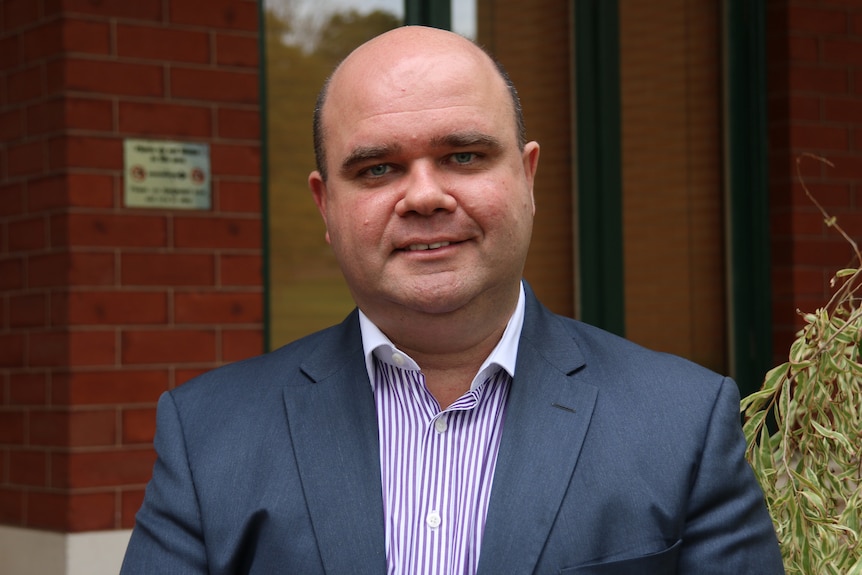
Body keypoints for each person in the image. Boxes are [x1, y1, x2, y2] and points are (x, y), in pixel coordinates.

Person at [121, 25, 784, 574]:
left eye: (463, 156)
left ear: (527, 178)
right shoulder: (207, 436)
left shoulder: (682, 423)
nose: (425, 195)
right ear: (326, 205)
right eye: (377, 168)